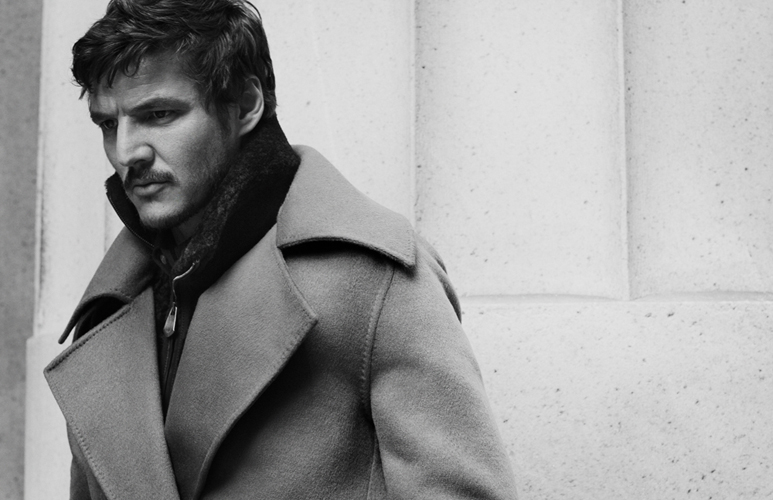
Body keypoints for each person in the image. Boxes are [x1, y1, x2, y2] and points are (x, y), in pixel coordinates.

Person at [44, 0, 517, 498]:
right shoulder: (109, 314)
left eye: (159, 115)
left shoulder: (371, 278)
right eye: (108, 124)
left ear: (246, 104)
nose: (126, 152)